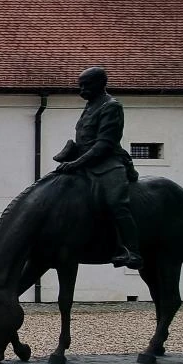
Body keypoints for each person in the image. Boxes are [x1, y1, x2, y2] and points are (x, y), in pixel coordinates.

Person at [52, 66, 143, 269]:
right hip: (85, 160)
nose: (82, 90)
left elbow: (104, 144)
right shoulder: (91, 105)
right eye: (80, 86)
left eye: (86, 85)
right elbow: (85, 139)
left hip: (108, 162)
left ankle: (132, 250)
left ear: (100, 84)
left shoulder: (111, 106)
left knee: (116, 202)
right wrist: (71, 151)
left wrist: (76, 163)